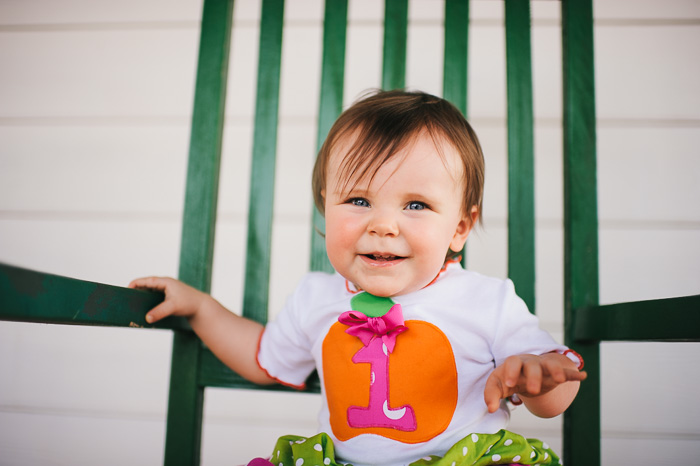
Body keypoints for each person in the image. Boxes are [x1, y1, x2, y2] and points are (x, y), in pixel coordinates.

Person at [130, 90, 586, 466]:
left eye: (416, 205)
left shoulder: (487, 301)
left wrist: (542, 378)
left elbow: (555, 396)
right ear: (326, 207)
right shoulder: (316, 298)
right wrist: (202, 308)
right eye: (359, 201)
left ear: (460, 228)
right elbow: (261, 357)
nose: (383, 225)